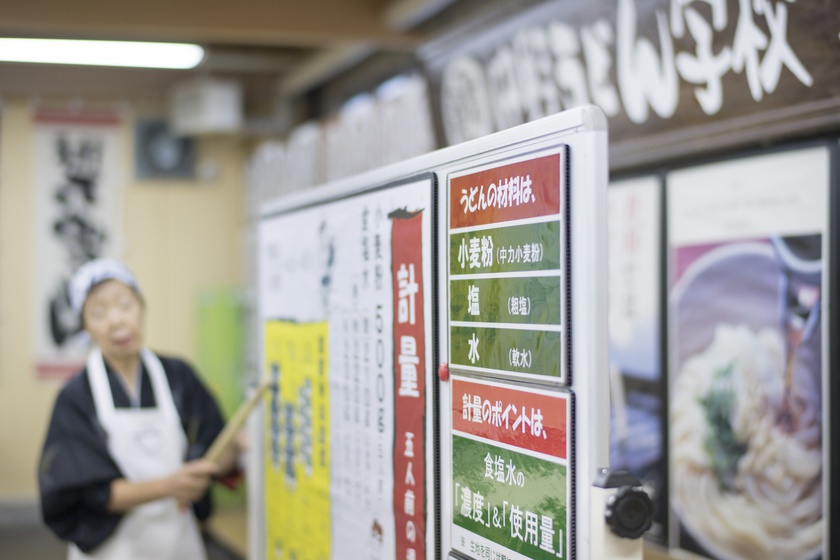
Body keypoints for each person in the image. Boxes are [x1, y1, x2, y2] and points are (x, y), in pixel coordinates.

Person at [38, 258, 242, 559]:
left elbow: (218, 452)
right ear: (85, 329)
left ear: (141, 308)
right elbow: (84, 492)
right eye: (98, 313)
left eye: (125, 305)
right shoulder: (76, 396)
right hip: (111, 548)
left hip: (179, 543)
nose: (116, 320)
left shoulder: (179, 376)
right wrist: (169, 486)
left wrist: (234, 447)